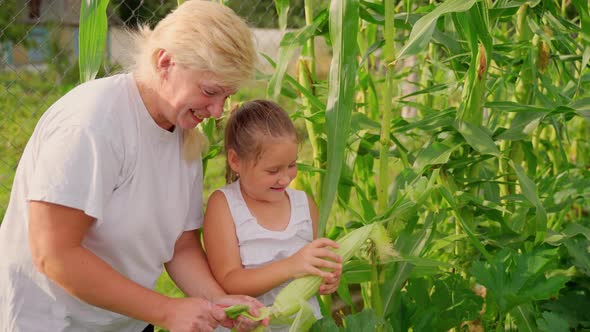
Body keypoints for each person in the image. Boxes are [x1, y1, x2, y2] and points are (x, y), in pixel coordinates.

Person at [0, 1, 267, 331]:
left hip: (127, 320)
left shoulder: (183, 135)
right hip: (55, 322)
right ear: (165, 62)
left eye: (226, 97)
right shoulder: (92, 124)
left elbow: (180, 247)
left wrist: (216, 299)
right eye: (210, 92)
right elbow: (54, 254)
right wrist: (167, 310)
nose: (216, 111)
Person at [203, 100, 343, 331]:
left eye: (291, 165)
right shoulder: (225, 205)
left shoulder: (303, 204)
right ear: (235, 161)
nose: (285, 178)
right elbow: (228, 280)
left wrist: (328, 278)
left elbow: (320, 262)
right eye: (272, 170)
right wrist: (291, 266)